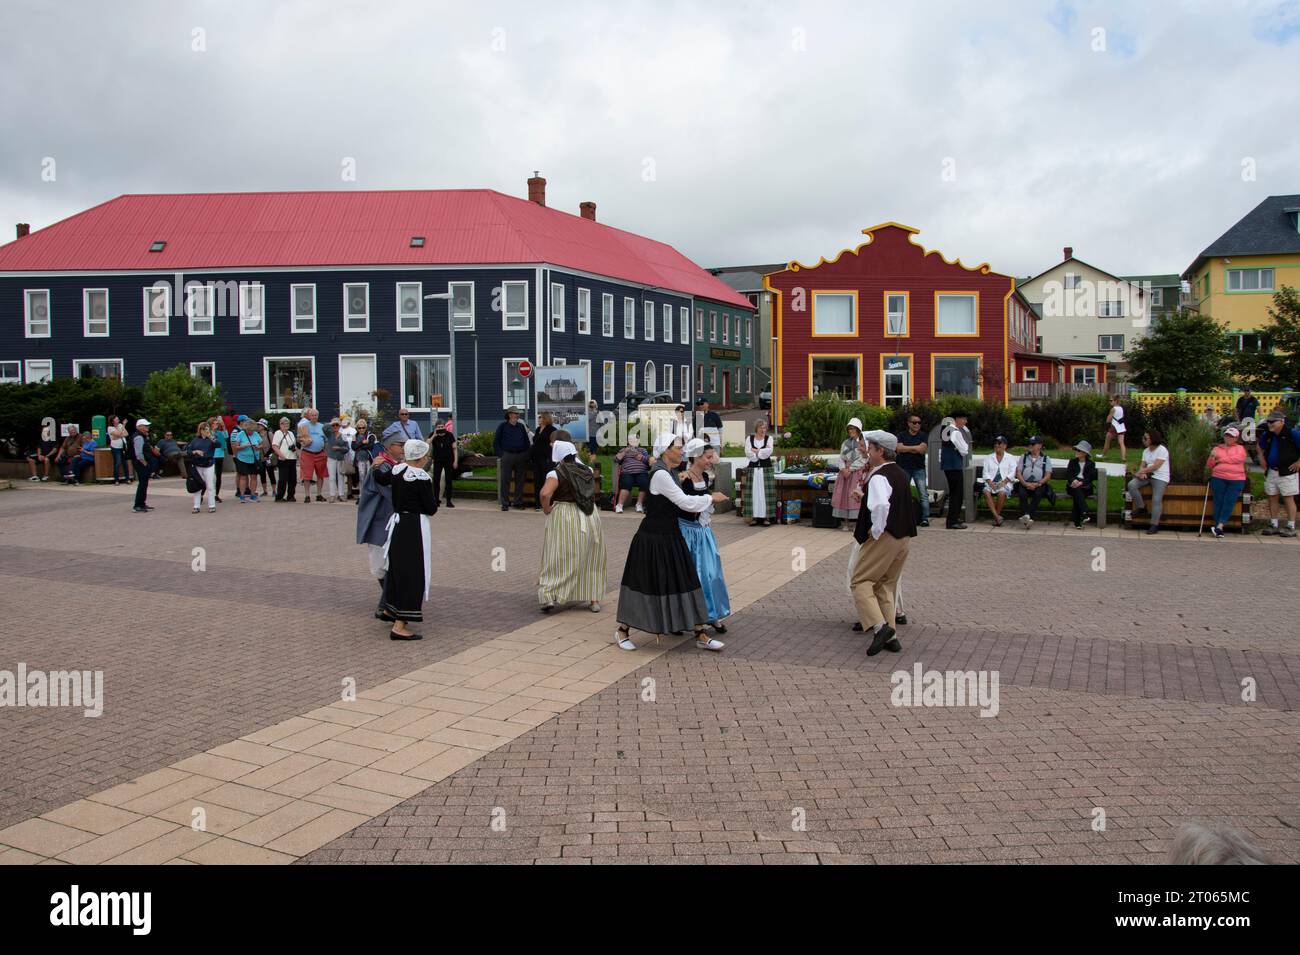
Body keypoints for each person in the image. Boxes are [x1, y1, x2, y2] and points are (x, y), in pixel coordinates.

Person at [614, 434, 727, 652]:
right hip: (653, 538)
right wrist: (711, 498)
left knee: (687, 580)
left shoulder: (670, 472)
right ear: (666, 450)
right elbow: (684, 502)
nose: (682, 451)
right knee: (645, 583)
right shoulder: (660, 475)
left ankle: (700, 634)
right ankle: (622, 631)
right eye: (678, 447)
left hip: (671, 535)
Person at [849, 431, 917, 656]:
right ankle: (892, 637)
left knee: (860, 581)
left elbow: (880, 507)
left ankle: (881, 627)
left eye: (872, 447)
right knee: (885, 585)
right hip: (903, 537)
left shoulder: (879, 476)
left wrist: (876, 531)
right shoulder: (900, 473)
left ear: (881, 451)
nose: (868, 450)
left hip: (886, 536)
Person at [537, 439, 607, 614]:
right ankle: (593, 599)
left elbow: (545, 493)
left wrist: (547, 509)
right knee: (591, 555)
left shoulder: (556, 473)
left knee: (557, 554)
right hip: (589, 515)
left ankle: (548, 596)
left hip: (566, 516)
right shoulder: (588, 470)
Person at [379, 439, 437, 640]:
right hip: (414, 526)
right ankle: (400, 624)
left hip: (398, 523)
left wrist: (377, 465)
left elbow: (380, 477)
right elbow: (431, 508)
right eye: (426, 456)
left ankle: (389, 609)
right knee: (413, 572)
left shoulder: (397, 471)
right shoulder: (420, 477)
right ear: (420, 458)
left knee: (397, 568)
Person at [678, 438, 730, 633]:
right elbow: (686, 505)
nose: (710, 460)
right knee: (694, 576)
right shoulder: (684, 479)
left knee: (712, 573)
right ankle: (692, 617)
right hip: (688, 532)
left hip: (703, 532)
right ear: (696, 457)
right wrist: (709, 500)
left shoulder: (705, 478)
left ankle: (712, 614)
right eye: (707, 457)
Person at [357, 433, 405, 618]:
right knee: (379, 565)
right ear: (389, 447)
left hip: (390, 521)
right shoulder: (382, 466)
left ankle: (386, 605)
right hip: (380, 521)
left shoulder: (392, 465)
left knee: (389, 563)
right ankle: (388, 603)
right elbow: (392, 491)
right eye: (399, 445)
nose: (402, 448)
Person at [1256, 410, 1300, 538]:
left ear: (1282, 421)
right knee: (1272, 496)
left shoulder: (1293, 434)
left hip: (1287, 471)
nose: (1270, 424)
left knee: (1288, 498)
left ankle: (1291, 525)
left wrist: (1299, 462)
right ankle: (1273, 523)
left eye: (1272, 422)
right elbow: (1260, 446)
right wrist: (1262, 458)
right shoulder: (1268, 434)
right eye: (1268, 421)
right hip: (1272, 470)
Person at [1205, 425, 1247, 539]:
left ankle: (1220, 524)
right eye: (1227, 436)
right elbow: (1210, 465)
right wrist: (1212, 458)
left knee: (1229, 501)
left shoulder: (1240, 448)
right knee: (1218, 501)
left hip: (1236, 479)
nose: (1229, 438)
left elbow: (1239, 459)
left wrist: (1221, 460)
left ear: (1236, 438)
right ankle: (1218, 527)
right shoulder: (1217, 449)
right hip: (1218, 477)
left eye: (1231, 436)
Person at [1127, 430, 1170, 535]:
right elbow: (1143, 464)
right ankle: (1141, 507)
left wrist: (1142, 471)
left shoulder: (1162, 450)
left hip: (1160, 477)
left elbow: (1156, 466)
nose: (1143, 440)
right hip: (1147, 475)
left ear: (1152, 439)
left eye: (1146, 438)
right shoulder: (1145, 451)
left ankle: (1154, 525)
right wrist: (1142, 473)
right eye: (1143, 438)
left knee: (1156, 499)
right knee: (1131, 485)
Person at [894, 413, 929, 527]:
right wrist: (915, 448)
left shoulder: (923, 435)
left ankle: (925, 518)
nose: (917, 424)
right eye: (914, 422)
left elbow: (922, 450)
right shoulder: (901, 435)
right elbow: (899, 448)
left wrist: (907, 448)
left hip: (919, 468)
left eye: (919, 422)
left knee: (923, 494)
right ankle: (901, 517)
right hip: (904, 468)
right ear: (909, 423)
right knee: (902, 493)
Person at [831, 418, 868, 529]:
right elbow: (841, 457)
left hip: (856, 472)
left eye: (852, 429)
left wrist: (850, 469)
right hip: (845, 473)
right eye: (849, 429)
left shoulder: (862, 444)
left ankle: (857, 523)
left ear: (858, 430)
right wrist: (843, 469)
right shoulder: (845, 443)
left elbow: (863, 459)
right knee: (843, 496)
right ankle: (845, 522)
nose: (850, 431)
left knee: (855, 496)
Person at [494, 406, 531, 511]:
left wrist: (525, 454)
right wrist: (501, 454)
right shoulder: (502, 426)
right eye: (516, 413)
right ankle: (505, 503)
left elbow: (526, 441)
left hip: (520, 456)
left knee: (520, 480)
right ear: (510, 414)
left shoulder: (521, 426)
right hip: (507, 455)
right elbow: (496, 442)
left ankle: (518, 502)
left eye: (518, 414)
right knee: (505, 480)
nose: (518, 415)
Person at [940, 411, 970, 529]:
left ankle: (954, 518)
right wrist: (964, 449)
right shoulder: (955, 432)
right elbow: (964, 450)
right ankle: (952, 521)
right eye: (964, 419)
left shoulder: (946, 430)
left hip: (948, 465)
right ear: (957, 419)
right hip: (954, 465)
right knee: (957, 493)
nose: (965, 422)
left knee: (954, 492)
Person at [742, 418, 775, 526]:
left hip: (766, 469)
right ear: (756, 428)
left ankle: (767, 517)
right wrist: (760, 452)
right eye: (761, 427)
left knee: (765, 493)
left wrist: (757, 451)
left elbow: (769, 451)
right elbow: (748, 452)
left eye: (764, 427)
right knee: (754, 493)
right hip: (753, 469)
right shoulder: (749, 439)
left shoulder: (769, 438)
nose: (763, 430)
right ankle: (755, 517)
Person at [1015, 436, 1053, 528]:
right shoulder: (1023, 457)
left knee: (1038, 493)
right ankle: (1028, 517)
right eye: (1029, 444)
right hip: (1025, 482)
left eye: (1033, 444)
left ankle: (1027, 516)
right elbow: (1018, 472)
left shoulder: (1046, 458)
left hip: (1039, 483)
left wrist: (1038, 484)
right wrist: (1024, 483)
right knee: (1022, 493)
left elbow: (1048, 475)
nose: (1030, 446)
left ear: (1040, 446)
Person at [980, 434, 1016, 526]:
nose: (997, 446)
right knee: (986, 491)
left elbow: (1013, 471)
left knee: (1002, 493)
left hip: (1005, 482)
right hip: (991, 482)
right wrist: (990, 482)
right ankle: (997, 517)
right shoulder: (988, 457)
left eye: (999, 444)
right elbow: (985, 472)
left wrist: (1004, 482)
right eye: (995, 444)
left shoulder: (1010, 457)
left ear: (1005, 446)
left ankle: (996, 518)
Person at [614, 433, 651, 514]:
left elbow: (648, 462)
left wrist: (640, 457)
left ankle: (639, 504)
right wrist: (624, 452)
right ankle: (619, 505)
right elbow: (616, 460)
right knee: (626, 483)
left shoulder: (642, 450)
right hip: (627, 472)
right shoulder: (624, 450)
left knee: (644, 483)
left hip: (641, 472)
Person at [297, 408, 328, 503]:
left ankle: (319, 494)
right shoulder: (304, 426)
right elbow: (299, 439)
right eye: (312, 415)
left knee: (320, 475)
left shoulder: (322, 427)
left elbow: (326, 441)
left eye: (315, 415)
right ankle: (307, 496)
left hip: (320, 454)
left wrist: (326, 452)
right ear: (309, 416)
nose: (314, 417)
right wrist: (304, 441)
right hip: (307, 453)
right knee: (307, 476)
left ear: (318, 416)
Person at [1066, 440, 1098, 529]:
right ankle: (1085, 512)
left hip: (1085, 487)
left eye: (1079, 450)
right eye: (1076, 450)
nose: (1076, 452)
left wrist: (1081, 482)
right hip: (1072, 486)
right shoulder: (1072, 462)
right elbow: (1069, 475)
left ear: (1085, 453)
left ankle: (1078, 521)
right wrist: (1073, 481)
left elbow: (1089, 478)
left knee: (1078, 493)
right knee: (1076, 490)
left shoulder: (1091, 464)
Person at [230, 416, 263, 502]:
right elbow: (235, 446)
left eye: (252, 430)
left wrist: (258, 447)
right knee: (243, 477)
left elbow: (262, 444)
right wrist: (244, 446)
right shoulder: (240, 434)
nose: (251, 432)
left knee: (254, 477)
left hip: (254, 458)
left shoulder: (256, 434)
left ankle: (253, 495)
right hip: (242, 458)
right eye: (249, 430)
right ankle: (242, 495)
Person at [187, 421, 218, 513]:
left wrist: (210, 436)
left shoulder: (211, 439)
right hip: (197, 465)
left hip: (208, 464)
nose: (205, 431)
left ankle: (212, 505)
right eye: (203, 429)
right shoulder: (195, 440)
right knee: (198, 486)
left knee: (210, 485)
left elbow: (218, 445)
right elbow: (189, 450)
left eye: (207, 429)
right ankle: (196, 506)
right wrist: (195, 451)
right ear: (200, 430)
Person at [530, 411, 557, 510]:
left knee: (546, 481)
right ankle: (538, 503)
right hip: (536, 459)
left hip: (546, 459)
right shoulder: (537, 429)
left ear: (545, 418)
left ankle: (549, 503)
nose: (539, 419)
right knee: (537, 481)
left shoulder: (552, 430)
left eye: (540, 417)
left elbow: (555, 443)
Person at [430, 419, 457, 508]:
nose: (441, 428)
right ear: (436, 427)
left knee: (449, 480)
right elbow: (426, 443)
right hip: (437, 460)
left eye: (442, 427)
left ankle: (449, 501)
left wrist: (455, 460)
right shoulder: (434, 435)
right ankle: (436, 500)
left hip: (448, 460)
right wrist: (434, 435)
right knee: (436, 480)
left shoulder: (449, 435)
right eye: (439, 427)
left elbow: (454, 448)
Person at [130, 418, 155, 513]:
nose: (147, 427)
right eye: (145, 426)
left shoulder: (143, 436)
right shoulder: (139, 437)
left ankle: (142, 503)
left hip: (142, 462)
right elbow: (139, 453)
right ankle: (138, 505)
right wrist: (144, 463)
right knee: (142, 483)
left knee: (144, 483)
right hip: (140, 463)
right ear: (139, 427)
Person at [271, 417, 298, 501]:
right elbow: (274, 446)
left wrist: (296, 451)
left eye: (287, 423)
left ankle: (291, 495)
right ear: (280, 424)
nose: (286, 425)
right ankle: (279, 496)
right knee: (283, 479)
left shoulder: (291, 433)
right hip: (283, 459)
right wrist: (281, 455)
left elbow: (294, 444)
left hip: (292, 458)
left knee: (293, 479)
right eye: (284, 423)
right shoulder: (278, 433)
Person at [325, 418, 350, 502]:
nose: (335, 426)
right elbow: (324, 428)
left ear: (340, 426)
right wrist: (331, 423)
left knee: (341, 477)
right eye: (333, 425)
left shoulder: (343, 435)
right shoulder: (329, 434)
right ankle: (332, 495)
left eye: (337, 425)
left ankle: (341, 494)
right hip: (331, 457)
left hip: (340, 458)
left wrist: (339, 448)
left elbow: (347, 448)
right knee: (332, 477)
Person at [352, 419, 377, 500]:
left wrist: (360, 447)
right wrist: (362, 443)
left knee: (369, 476)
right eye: (359, 428)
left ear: (366, 428)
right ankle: (361, 495)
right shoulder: (354, 436)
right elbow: (354, 447)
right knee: (361, 476)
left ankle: (369, 494)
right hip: (359, 459)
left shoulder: (370, 435)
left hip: (368, 459)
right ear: (357, 428)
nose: (361, 429)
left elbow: (370, 446)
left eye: (363, 428)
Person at [337, 415, 358, 499]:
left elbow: (354, 443)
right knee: (340, 474)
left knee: (349, 474)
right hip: (342, 455)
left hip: (351, 454)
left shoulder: (353, 431)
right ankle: (340, 493)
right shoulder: (339, 431)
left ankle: (349, 492)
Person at [210, 416, 229, 502]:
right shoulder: (209, 433)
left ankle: (216, 494)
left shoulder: (219, 433)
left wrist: (223, 425)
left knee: (218, 476)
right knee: (210, 476)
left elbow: (226, 436)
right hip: (211, 455)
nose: (216, 425)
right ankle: (203, 493)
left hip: (219, 455)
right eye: (214, 423)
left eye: (217, 423)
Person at [107, 415, 130, 485]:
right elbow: (118, 433)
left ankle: (127, 478)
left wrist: (118, 435)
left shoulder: (120, 425)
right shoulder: (110, 428)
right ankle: (116, 479)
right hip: (115, 447)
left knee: (125, 463)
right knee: (117, 462)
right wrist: (123, 425)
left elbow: (126, 434)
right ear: (113, 420)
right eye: (116, 418)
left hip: (122, 446)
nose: (118, 419)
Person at [256, 419, 276, 497]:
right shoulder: (256, 434)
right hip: (260, 457)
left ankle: (274, 490)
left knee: (271, 473)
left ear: (264, 426)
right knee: (262, 474)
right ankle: (265, 491)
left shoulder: (269, 434)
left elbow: (273, 445)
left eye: (260, 425)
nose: (258, 426)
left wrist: (266, 455)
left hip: (269, 457)